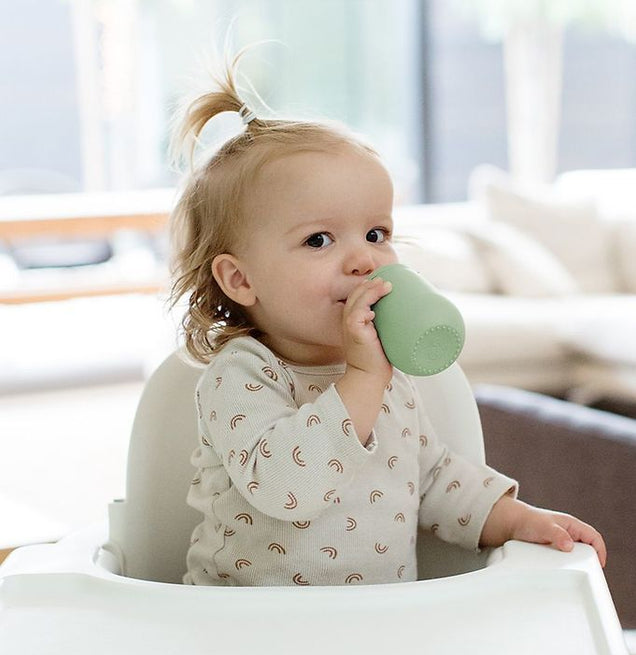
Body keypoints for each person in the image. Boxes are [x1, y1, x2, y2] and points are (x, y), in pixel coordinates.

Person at [170, 55, 606, 586]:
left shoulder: (389, 381)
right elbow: (287, 486)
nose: (364, 259)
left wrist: (522, 521)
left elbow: (435, 483)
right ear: (240, 280)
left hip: (381, 630)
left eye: (376, 234)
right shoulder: (241, 377)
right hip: (243, 628)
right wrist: (363, 379)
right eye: (319, 240)